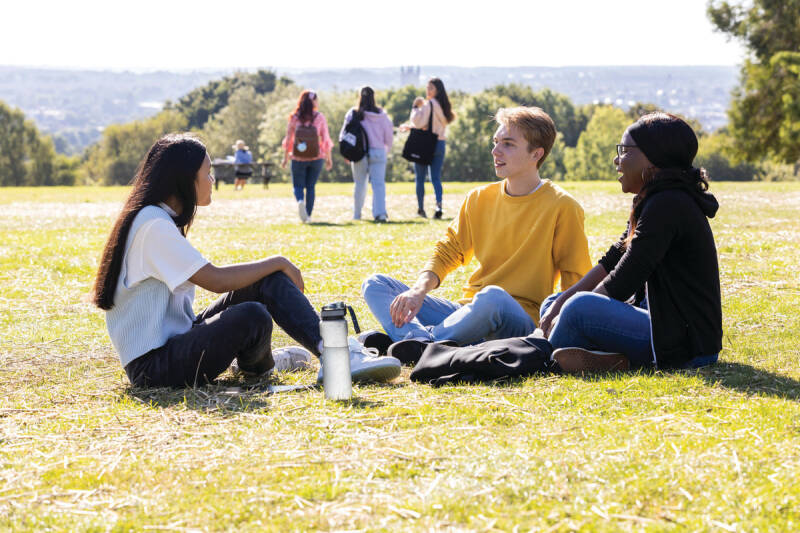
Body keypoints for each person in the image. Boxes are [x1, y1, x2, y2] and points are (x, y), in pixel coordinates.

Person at [92, 133, 400, 388]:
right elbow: (216, 281)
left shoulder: (155, 218)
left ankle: (336, 352)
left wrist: (273, 269)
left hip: (174, 344)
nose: (212, 179)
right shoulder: (153, 224)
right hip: (153, 367)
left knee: (265, 282)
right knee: (252, 315)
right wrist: (279, 260)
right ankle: (280, 362)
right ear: (186, 180)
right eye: (207, 172)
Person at [361, 107, 593, 364]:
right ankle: (422, 342)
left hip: (520, 322)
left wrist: (556, 338)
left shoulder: (563, 206)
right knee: (376, 284)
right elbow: (448, 251)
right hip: (468, 313)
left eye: (508, 144)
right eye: (496, 142)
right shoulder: (478, 198)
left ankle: (416, 343)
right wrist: (418, 290)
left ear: (536, 154)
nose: (495, 151)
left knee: (492, 297)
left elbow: (575, 281)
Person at [539, 112, 722, 373]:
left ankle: (540, 358)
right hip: (660, 323)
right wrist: (562, 302)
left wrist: (574, 307)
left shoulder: (668, 203)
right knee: (554, 302)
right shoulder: (654, 198)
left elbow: (623, 280)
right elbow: (614, 257)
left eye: (624, 150)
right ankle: (611, 359)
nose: (617, 159)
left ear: (654, 159)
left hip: (686, 345)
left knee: (578, 308)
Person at [400, 77, 455, 219]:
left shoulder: (429, 104)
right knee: (436, 178)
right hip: (440, 143)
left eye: (430, 88)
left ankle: (421, 208)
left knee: (420, 178)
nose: (428, 90)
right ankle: (439, 206)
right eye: (427, 87)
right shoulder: (443, 106)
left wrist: (415, 107)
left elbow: (418, 122)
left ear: (437, 90)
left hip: (425, 144)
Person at [340, 86, 394, 222]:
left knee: (359, 184)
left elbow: (344, 134)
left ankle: (357, 214)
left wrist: (347, 153)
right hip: (379, 153)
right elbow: (389, 137)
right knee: (378, 184)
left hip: (359, 153)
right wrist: (386, 150)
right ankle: (380, 214)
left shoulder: (353, 114)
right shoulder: (382, 116)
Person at [282, 90, 333, 222]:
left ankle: (300, 201)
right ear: (314, 102)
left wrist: (285, 157)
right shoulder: (320, 117)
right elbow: (325, 138)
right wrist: (328, 158)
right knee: (310, 187)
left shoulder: (294, 117)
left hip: (298, 157)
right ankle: (308, 215)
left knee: (298, 186)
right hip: (317, 157)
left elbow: (288, 139)